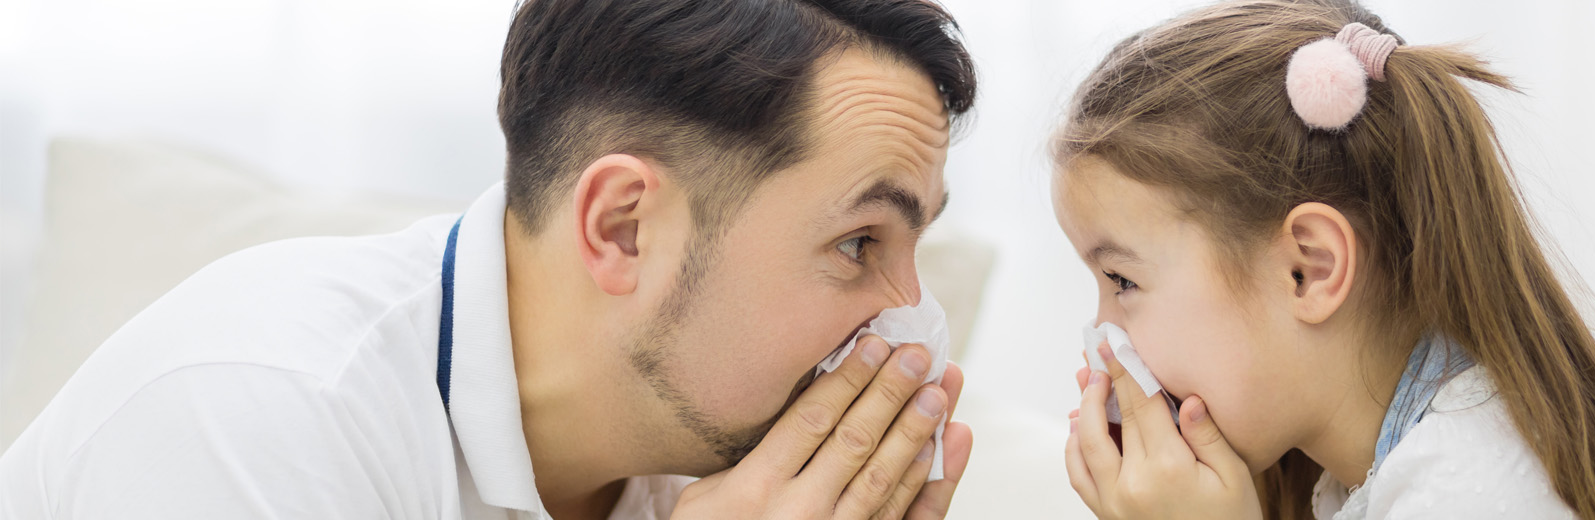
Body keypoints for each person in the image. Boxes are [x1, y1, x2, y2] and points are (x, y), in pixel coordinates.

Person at [0, 1, 977, 518]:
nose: (907, 316)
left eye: (912, 244)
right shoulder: (250, 413)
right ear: (624, 228)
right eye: (859, 245)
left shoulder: (732, 468)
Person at [1050, 1, 1595, 518]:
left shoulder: (1475, 482)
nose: (1101, 335)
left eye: (1122, 281)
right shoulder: (1378, 467)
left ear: (1309, 267)